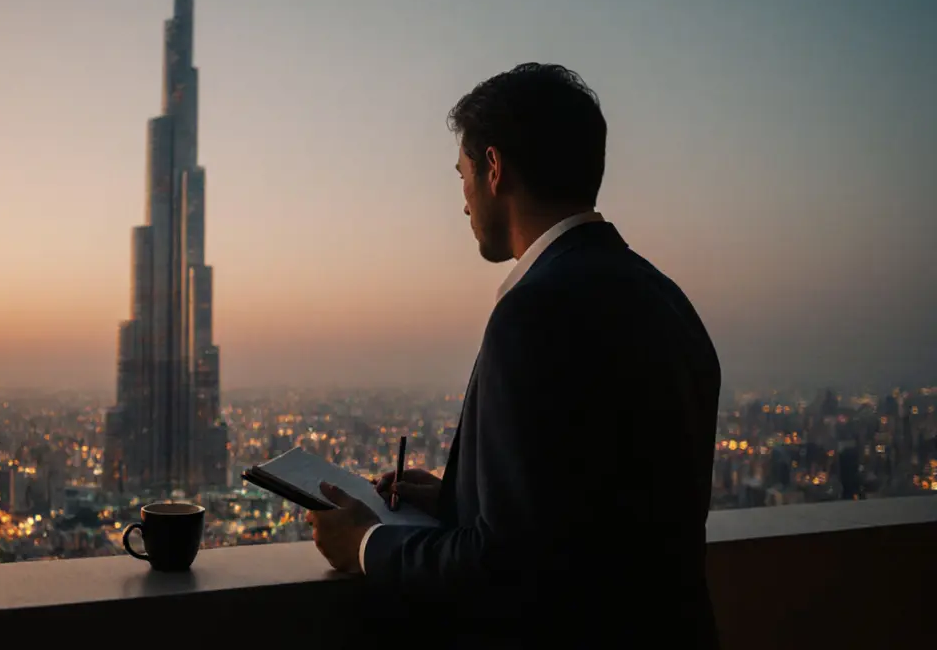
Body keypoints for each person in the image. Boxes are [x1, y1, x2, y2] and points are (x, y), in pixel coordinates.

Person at [307, 63, 722, 647]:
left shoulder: (533, 313)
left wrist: (366, 545)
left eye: (463, 177)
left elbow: (508, 566)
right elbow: (593, 509)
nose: (464, 203)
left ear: (494, 169)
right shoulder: (670, 302)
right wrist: (458, 497)